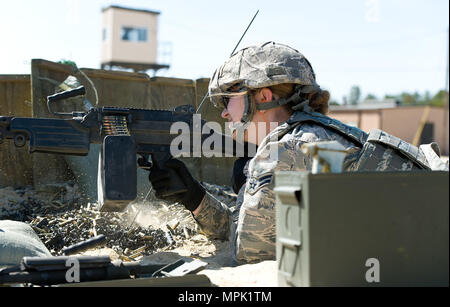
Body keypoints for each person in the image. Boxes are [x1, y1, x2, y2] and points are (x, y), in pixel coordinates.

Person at [148, 41, 444, 265]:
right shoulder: (317, 135)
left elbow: (250, 252)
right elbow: (266, 233)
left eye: (228, 99)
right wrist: (195, 199)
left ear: (262, 96)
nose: (224, 112)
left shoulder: (286, 150)